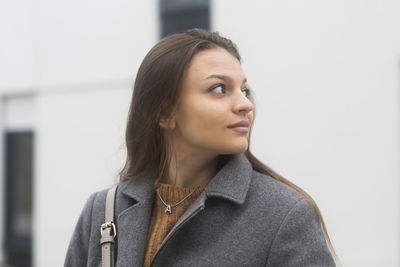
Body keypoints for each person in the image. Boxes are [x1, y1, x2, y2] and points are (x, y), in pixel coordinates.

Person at [64, 28, 339, 267]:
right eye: (219, 89)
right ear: (165, 113)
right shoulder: (102, 210)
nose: (245, 104)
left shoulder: (284, 216)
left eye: (245, 90)